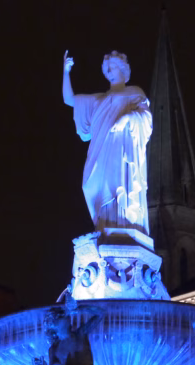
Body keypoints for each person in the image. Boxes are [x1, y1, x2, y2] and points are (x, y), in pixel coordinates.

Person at [63, 50, 152, 234]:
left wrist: (127, 119)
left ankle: (123, 224)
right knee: (93, 184)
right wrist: (66, 72)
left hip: (122, 153)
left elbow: (146, 118)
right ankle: (105, 225)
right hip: (101, 153)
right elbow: (69, 99)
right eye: (107, 69)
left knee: (119, 186)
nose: (109, 72)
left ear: (123, 69)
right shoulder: (99, 100)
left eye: (112, 68)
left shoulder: (134, 93)